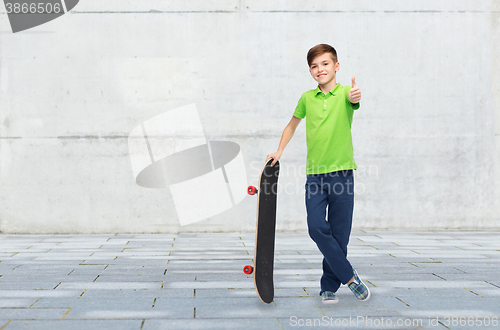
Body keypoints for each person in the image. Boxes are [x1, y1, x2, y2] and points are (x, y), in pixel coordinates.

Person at [266, 44, 370, 304]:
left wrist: (355, 95)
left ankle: (328, 287)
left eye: (325, 64)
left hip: (343, 175)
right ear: (310, 71)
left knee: (339, 234)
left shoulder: (346, 93)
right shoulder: (306, 98)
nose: (319, 69)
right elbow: (291, 125)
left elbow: (354, 99)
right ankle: (350, 277)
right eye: (314, 66)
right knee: (316, 227)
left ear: (336, 66)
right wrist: (279, 151)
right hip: (315, 176)